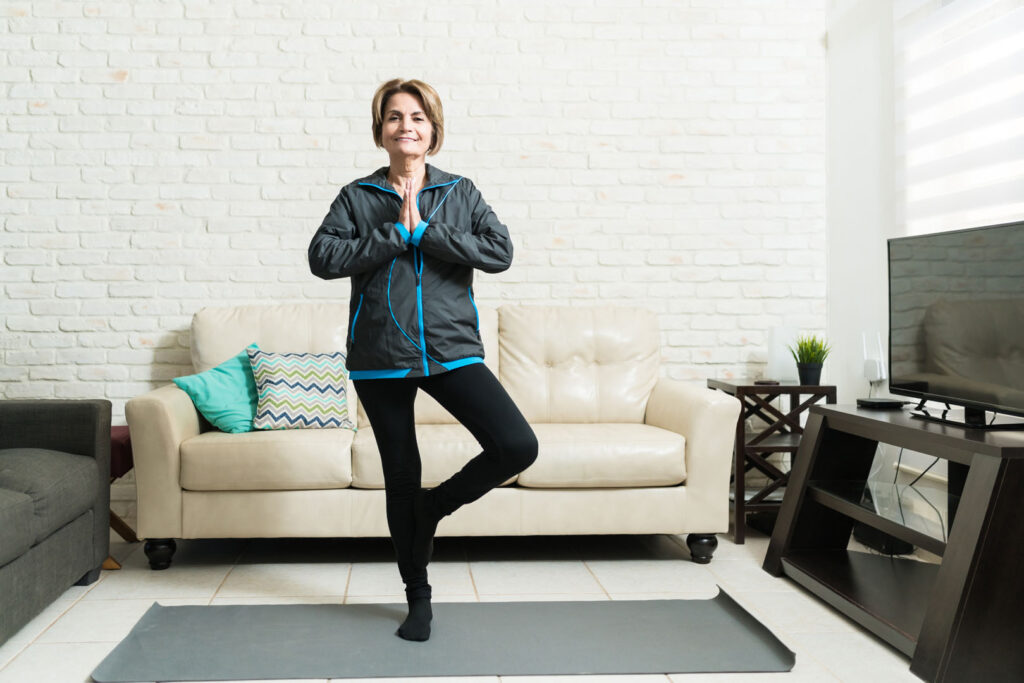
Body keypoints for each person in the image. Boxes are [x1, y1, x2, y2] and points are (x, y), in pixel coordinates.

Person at [307, 78, 538, 642]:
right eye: (394, 117)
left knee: (516, 445)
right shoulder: (357, 196)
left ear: (433, 130)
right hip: (379, 358)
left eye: (417, 117)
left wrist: (428, 233)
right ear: (380, 130)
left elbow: (500, 252)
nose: (405, 125)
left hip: (451, 351)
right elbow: (322, 257)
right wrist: (392, 235)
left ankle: (435, 507)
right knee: (400, 476)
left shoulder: (459, 191)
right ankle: (418, 598)